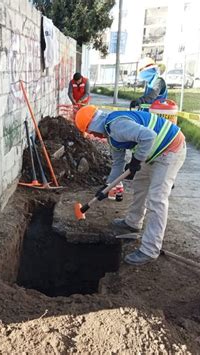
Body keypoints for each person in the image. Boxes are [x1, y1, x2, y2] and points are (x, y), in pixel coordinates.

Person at [74, 105, 187, 265]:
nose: (93, 135)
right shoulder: (110, 135)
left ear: (93, 126)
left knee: (157, 199)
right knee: (140, 185)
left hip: (171, 149)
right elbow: (118, 164)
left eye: (91, 132)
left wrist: (135, 161)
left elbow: (149, 136)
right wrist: (107, 186)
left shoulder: (117, 125)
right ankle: (133, 223)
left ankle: (150, 250)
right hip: (152, 152)